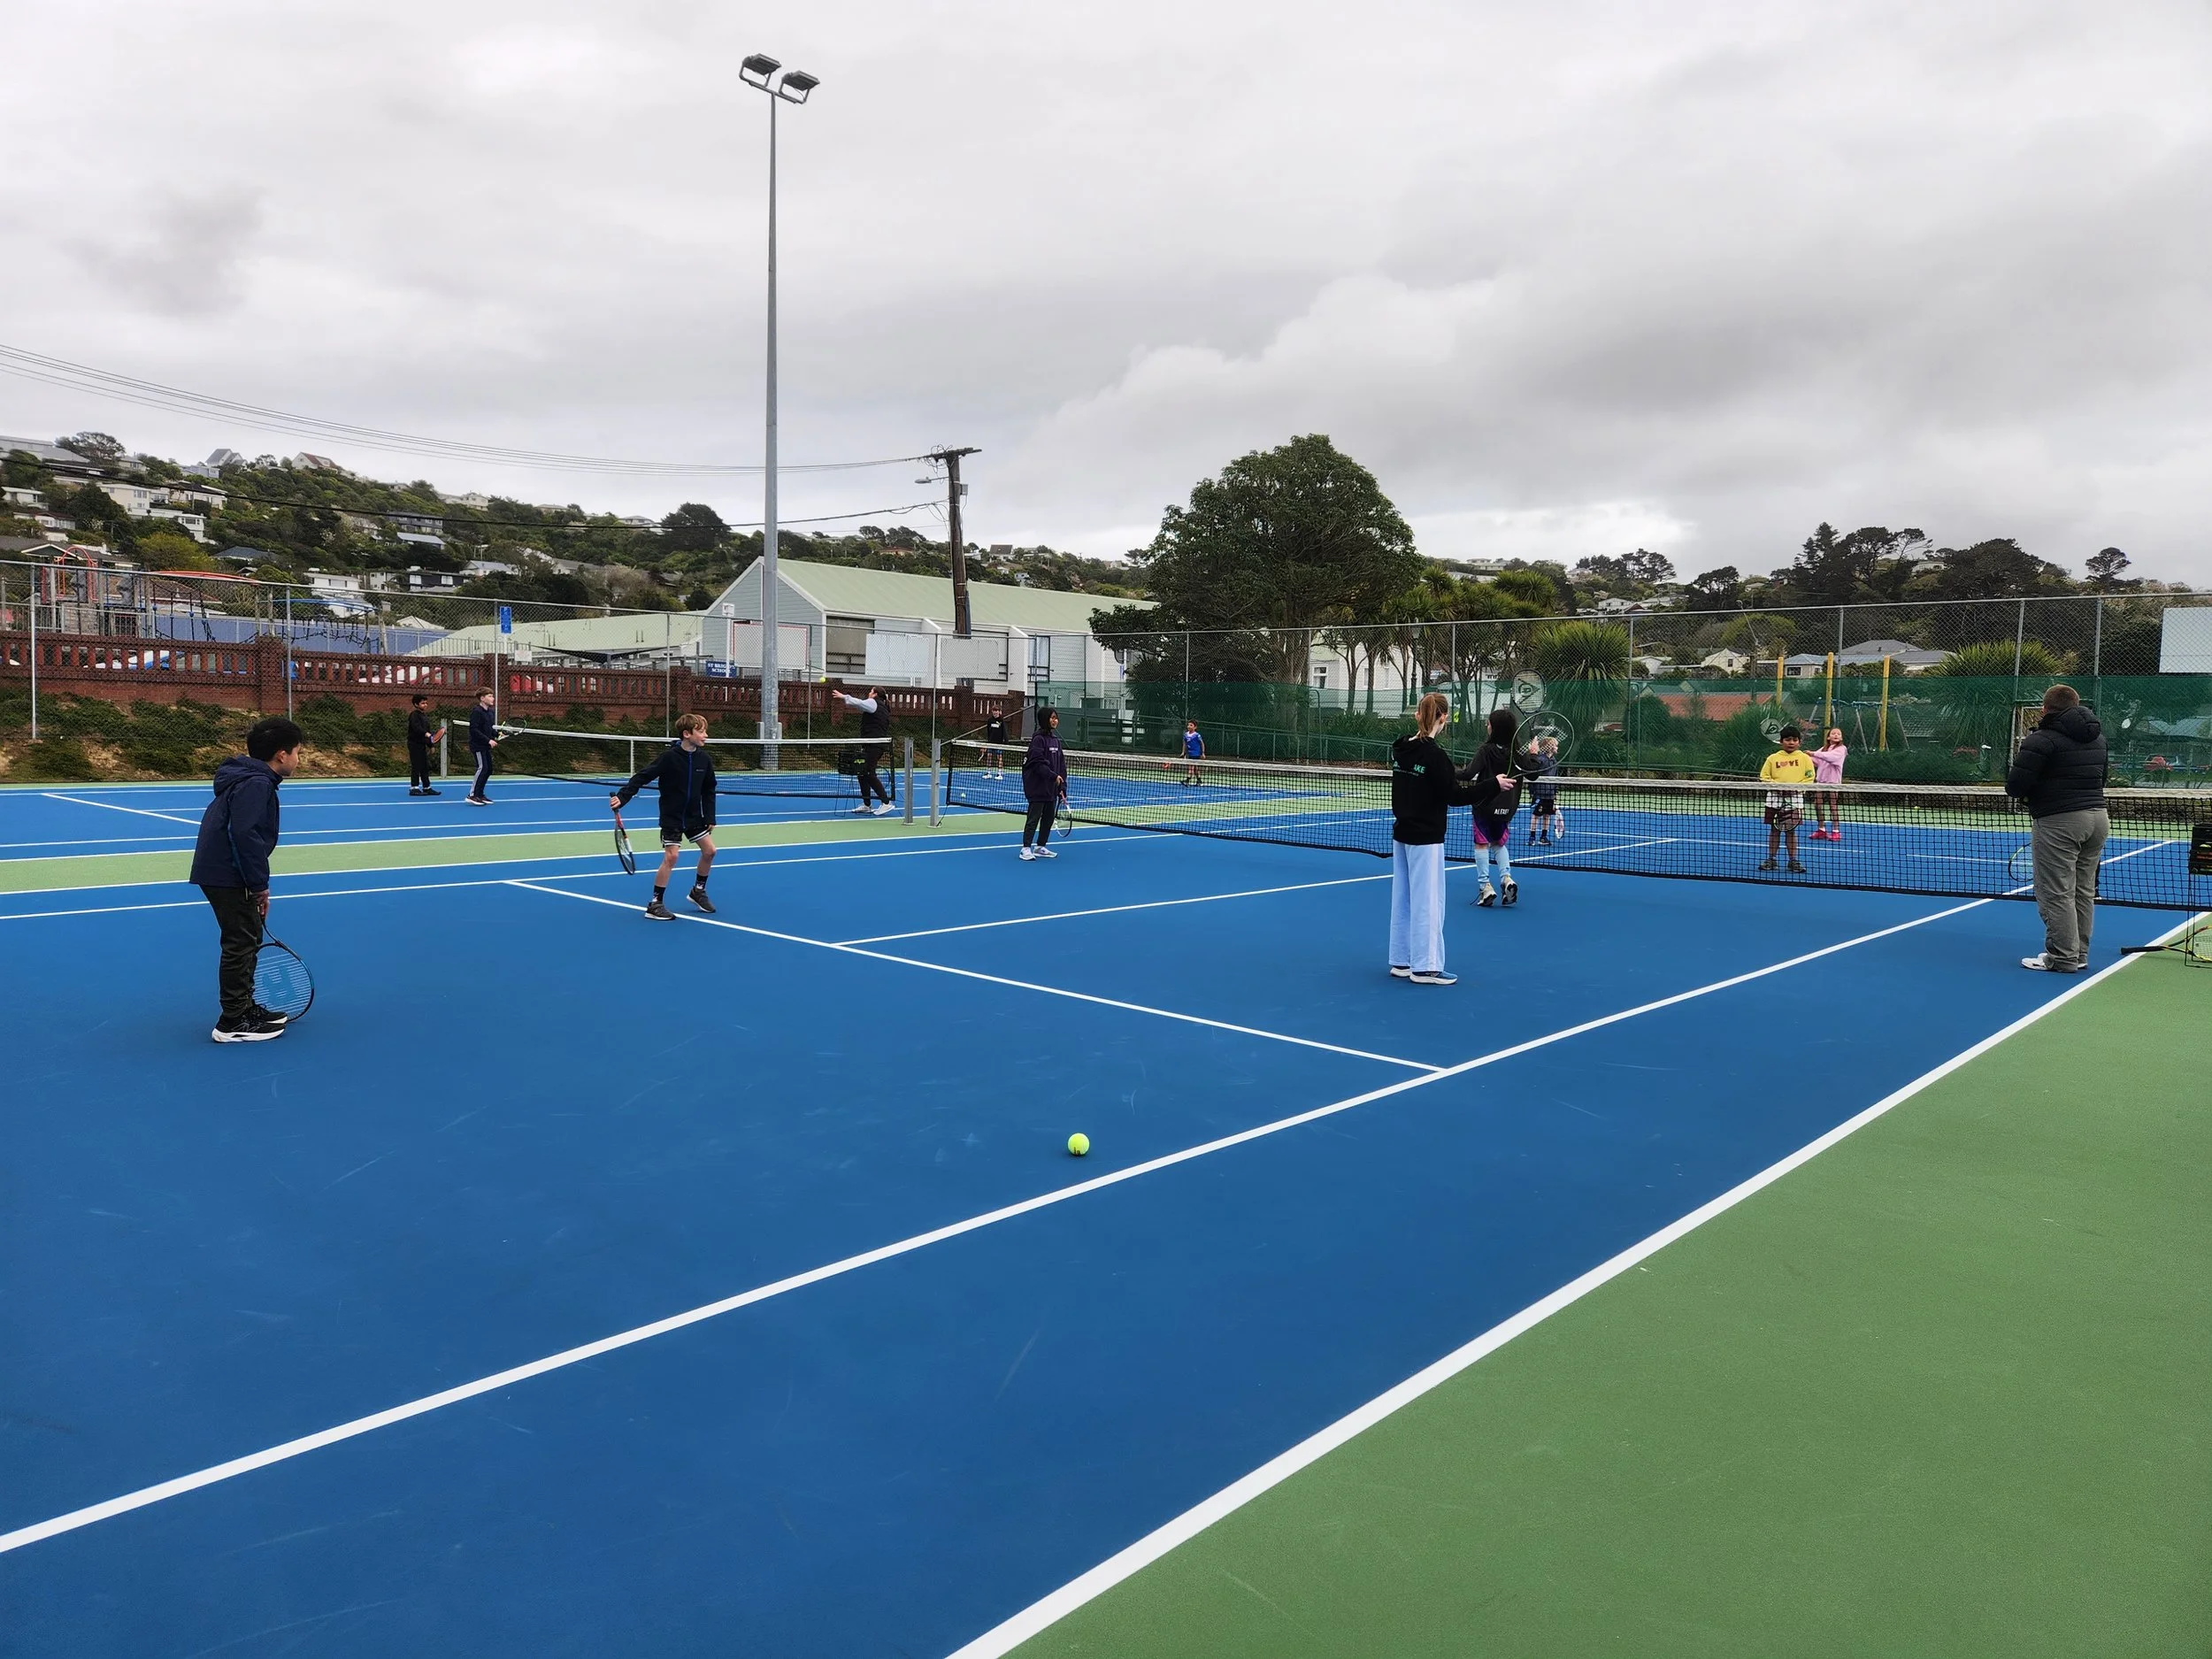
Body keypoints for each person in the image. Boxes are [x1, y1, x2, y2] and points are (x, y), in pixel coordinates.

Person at [189, 716, 304, 1043]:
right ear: (281, 755)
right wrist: (258, 885)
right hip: (228, 872)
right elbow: (243, 834)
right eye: (297, 752)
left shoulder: (250, 779)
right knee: (241, 942)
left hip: (224, 870)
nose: (299, 759)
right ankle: (232, 1021)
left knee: (248, 937)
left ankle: (243, 1007)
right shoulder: (256, 783)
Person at [2006, 683, 2109, 972]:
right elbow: (2102, 779)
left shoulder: (2040, 740)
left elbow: (2015, 786)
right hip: (2098, 818)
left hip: (2059, 821)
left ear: (2045, 708)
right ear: (2076, 705)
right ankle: (2079, 955)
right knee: (2083, 891)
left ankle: (2063, 957)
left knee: (2056, 892)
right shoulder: (2098, 738)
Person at [1389, 692, 1479, 985]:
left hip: (1402, 834)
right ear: (1444, 718)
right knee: (1428, 901)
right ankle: (1426, 967)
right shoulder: (1435, 756)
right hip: (1425, 838)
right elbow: (1454, 796)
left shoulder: (1401, 749)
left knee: (1402, 899)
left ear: (1417, 715)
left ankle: (1401, 961)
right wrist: (1493, 785)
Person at [611, 712, 718, 921]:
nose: (706, 735)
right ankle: (655, 904)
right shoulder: (669, 758)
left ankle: (698, 891)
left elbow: (709, 790)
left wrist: (710, 816)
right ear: (687, 734)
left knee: (710, 851)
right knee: (672, 856)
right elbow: (643, 776)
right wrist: (623, 797)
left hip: (694, 817)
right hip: (672, 816)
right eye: (702, 731)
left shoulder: (704, 760)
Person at [1459, 707, 1522, 906]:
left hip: (1484, 805)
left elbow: (1469, 774)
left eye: (1488, 723)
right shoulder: (1516, 752)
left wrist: (1445, 771)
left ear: (1494, 728)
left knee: (1481, 844)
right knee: (1499, 844)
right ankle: (1506, 879)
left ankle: (1485, 886)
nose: (1487, 725)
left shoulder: (1485, 750)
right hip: (1506, 808)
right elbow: (1533, 773)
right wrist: (1534, 755)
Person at [1759, 723, 1816, 872]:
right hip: (1774, 799)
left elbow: (1809, 777)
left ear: (1799, 742)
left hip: (1795, 800)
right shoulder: (1772, 758)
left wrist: (1795, 789)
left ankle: (1793, 861)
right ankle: (1771, 859)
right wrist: (1776, 787)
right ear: (1781, 741)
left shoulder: (1805, 759)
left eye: (1795, 740)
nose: (1791, 742)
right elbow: (1764, 776)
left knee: (1791, 831)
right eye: (1788, 739)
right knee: (1774, 830)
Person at [831, 685, 895, 815]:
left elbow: (859, 703)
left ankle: (886, 802)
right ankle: (867, 805)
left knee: (868, 773)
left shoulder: (873, 703)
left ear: (875, 694)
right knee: (862, 773)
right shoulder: (878, 706)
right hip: (871, 744)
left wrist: (844, 697)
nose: (869, 693)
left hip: (874, 744)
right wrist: (848, 701)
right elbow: (860, 705)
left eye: (871, 691)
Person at [1018, 708, 1068, 861]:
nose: (1055, 720)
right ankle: (1026, 848)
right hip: (1037, 787)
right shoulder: (1038, 739)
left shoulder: (1056, 741)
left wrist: (1062, 787)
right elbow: (1038, 763)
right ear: (1045, 719)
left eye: (1056, 718)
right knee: (1033, 818)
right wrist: (1053, 776)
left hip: (1051, 789)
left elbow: (1061, 766)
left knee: (1048, 819)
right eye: (1052, 718)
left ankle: (1040, 846)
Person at [1809, 726, 1848, 840]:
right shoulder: (1824, 749)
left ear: (1841, 738)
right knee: (1817, 805)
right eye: (1833, 733)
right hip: (1821, 782)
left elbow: (1831, 757)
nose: (1836, 735)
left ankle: (1836, 831)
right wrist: (1804, 756)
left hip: (1833, 782)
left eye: (1838, 734)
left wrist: (1813, 753)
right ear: (1828, 736)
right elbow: (1816, 761)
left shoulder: (1842, 749)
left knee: (1833, 806)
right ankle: (1822, 829)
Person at [1525, 734, 1563, 845]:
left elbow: (1555, 778)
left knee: (1547, 815)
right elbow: (1533, 775)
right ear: (1550, 746)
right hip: (1540, 793)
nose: (1557, 748)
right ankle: (1532, 838)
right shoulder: (1540, 760)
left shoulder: (1554, 761)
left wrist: (1555, 793)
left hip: (1550, 794)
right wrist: (1533, 792)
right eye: (1556, 746)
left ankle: (1543, 838)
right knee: (1536, 816)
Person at [465, 687, 499, 805]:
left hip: (485, 746)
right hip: (477, 746)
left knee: (488, 769)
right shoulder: (477, 711)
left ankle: (480, 794)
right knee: (482, 768)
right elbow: (474, 730)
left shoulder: (490, 712)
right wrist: (488, 740)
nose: (492, 698)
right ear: (482, 698)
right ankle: (472, 795)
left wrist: (497, 734)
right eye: (490, 696)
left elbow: (489, 729)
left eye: (492, 696)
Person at [404, 694, 444, 796]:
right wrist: (425, 733)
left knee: (424, 766)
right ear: (416, 704)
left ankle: (427, 787)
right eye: (423, 703)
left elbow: (428, 734)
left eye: (426, 703)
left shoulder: (425, 716)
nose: (425, 705)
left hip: (422, 745)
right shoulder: (414, 715)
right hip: (414, 744)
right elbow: (416, 728)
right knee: (416, 766)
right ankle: (414, 788)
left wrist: (431, 745)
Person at [981, 710, 1010, 780]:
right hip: (991, 743)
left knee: (999, 757)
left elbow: (1004, 732)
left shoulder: (1001, 721)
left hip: (999, 743)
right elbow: (988, 731)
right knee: (989, 756)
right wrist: (988, 742)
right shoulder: (990, 720)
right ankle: (988, 773)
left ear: (999, 712)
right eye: (994, 713)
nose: (995, 714)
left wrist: (1006, 742)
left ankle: (999, 774)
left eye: (996, 713)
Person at [1179, 719, 1206, 786]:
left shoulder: (1197, 735)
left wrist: (1203, 753)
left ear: (1195, 727)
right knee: (1195, 768)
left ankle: (1187, 780)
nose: (1189, 726)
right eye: (1188, 725)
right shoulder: (1186, 735)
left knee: (1191, 767)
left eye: (1191, 725)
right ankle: (1199, 781)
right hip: (1189, 753)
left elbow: (1202, 743)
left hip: (1196, 754)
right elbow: (1184, 744)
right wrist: (1183, 752)